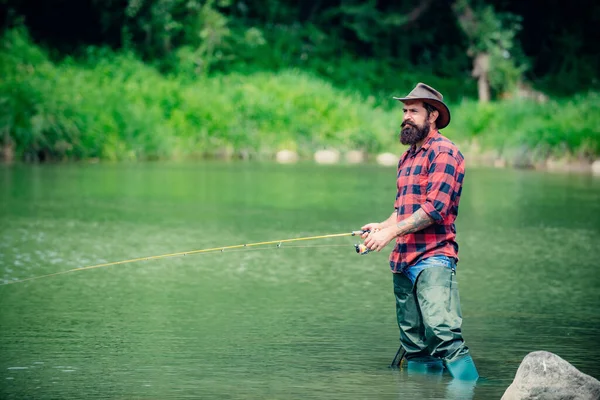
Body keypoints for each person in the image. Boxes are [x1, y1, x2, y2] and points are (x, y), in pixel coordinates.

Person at [361, 82, 479, 380]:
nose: (406, 116)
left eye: (413, 111)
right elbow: (405, 209)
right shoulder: (407, 157)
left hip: (434, 257)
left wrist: (389, 234)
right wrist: (383, 225)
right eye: (404, 110)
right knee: (414, 345)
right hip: (403, 261)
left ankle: (471, 389)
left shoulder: (445, 152)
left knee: (443, 333)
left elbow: (435, 208)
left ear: (433, 116)